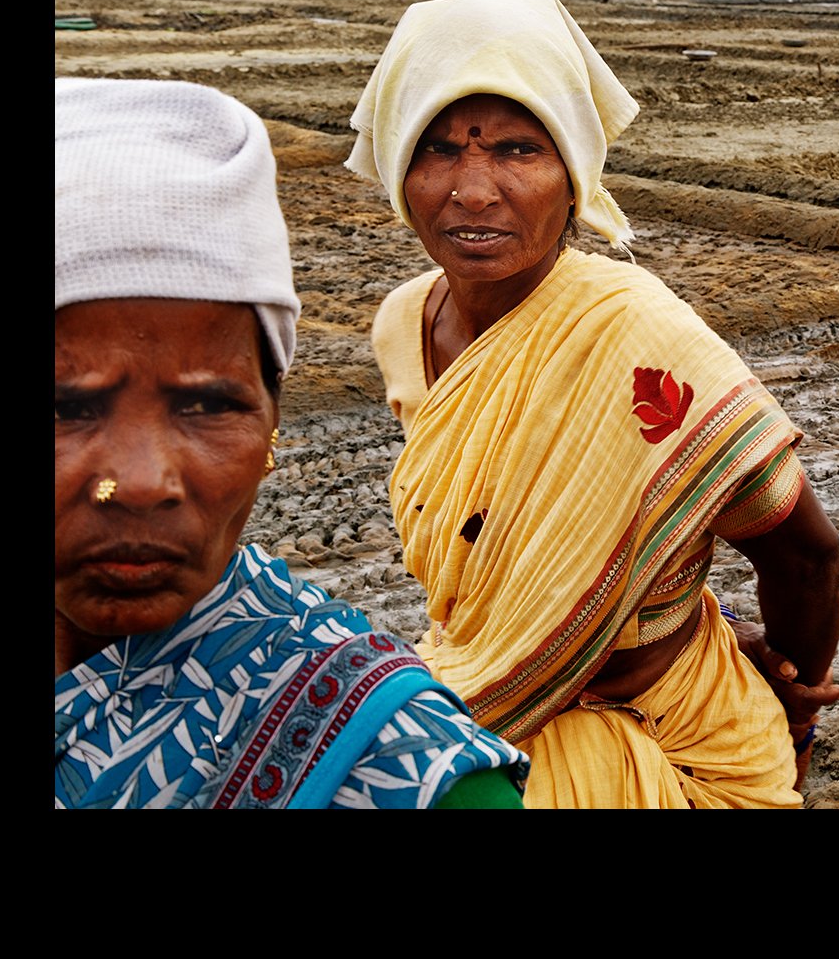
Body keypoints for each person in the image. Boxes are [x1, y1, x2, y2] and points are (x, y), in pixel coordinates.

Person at [347, 0, 839, 808]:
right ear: (400, 166)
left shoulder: (638, 329)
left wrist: (797, 703)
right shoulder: (403, 321)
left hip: (674, 735)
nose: (473, 190)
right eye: (437, 148)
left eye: (518, 149)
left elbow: (803, 554)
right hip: (474, 695)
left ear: (574, 176)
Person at [55, 77, 530, 809]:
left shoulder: (404, 770)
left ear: (273, 415)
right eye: (66, 409)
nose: (143, 482)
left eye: (209, 404)